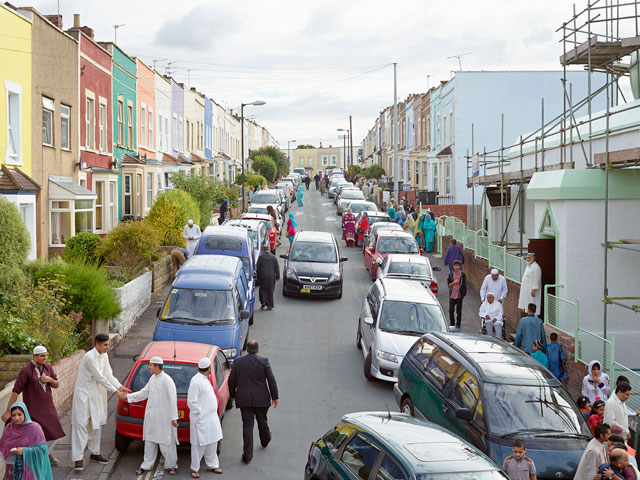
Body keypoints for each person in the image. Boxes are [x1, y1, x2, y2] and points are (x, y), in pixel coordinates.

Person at [71, 333, 129, 472]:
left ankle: (95, 453)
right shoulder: (90, 357)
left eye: (108, 344)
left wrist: (120, 386)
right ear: (97, 344)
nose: (108, 347)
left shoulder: (103, 356)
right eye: (105, 345)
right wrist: (116, 392)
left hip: (96, 395)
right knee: (81, 426)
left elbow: (109, 375)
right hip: (84, 396)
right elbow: (100, 378)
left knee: (96, 424)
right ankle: (78, 459)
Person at [1, 346, 64, 465]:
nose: (45, 358)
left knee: (54, 433)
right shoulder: (26, 371)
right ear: (34, 356)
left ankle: (45, 455)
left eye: (46, 355)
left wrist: (49, 379)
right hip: (33, 409)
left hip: (48, 406)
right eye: (42, 356)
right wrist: (8, 411)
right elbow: (16, 391)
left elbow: (56, 384)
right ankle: (41, 459)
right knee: (37, 434)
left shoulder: (48, 367)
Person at [125, 357, 179, 476]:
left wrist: (173, 418)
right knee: (149, 443)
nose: (148, 367)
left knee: (166, 444)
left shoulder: (167, 380)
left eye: (150, 365)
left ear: (156, 366)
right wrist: (129, 397)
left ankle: (171, 465)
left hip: (164, 419)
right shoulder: (152, 378)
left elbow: (172, 400)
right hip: (152, 418)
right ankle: (146, 465)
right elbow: (144, 393)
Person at [228, 341, 279, 464]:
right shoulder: (264, 361)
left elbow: (231, 381)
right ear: (258, 349)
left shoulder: (238, 362)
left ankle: (247, 456)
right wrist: (274, 397)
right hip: (261, 398)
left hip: (244, 399)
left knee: (247, 426)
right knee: (262, 420)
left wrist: (233, 395)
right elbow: (271, 380)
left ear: (246, 348)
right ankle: (265, 439)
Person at [187, 358, 223, 477]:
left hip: (211, 418)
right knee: (198, 445)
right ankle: (195, 469)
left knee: (212, 441)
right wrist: (200, 412)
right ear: (208, 369)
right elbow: (191, 402)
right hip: (201, 419)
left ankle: (212, 465)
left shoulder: (204, 379)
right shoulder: (196, 381)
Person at [0, 402, 53, 480]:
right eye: (13, 415)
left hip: (30, 468)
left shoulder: (35, 428)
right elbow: (3, 445)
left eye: (19, 414)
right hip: (12, 468)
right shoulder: (9, 428)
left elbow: (42, 449)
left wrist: (24, 451)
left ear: (25, 414)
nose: (16, 418)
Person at [256, 244, 280, 310]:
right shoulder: (273, 257)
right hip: (271, 276)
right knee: (270, 290)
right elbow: (277, 267)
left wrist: (258, 277)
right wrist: (277, 276)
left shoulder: (261, 257)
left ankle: (263, 301)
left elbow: (258, 268)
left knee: (263, 289)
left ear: (263, 250)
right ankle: (269, 304)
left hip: (263, 276)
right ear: (269, 249)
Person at [447, 260, 467, 331]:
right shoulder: (451, 274)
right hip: (452, 295)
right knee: (451, 310)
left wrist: (463, 295)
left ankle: (458, 324)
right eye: (455, 265)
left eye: (457, 265)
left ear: (459, 266)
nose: (456, 267)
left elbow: (464, 285)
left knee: (458, 311)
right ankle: (452, 324)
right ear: (453, 266)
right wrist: (454, 282)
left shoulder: (462, 275)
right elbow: (449, 285)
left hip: (459, 295)